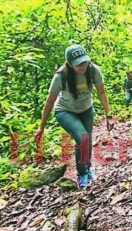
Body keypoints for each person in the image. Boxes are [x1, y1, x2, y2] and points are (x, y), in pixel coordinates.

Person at [34, 44, 113, 188]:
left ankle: (87, 169)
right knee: (82, 137)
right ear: (70, 64)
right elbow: (50, 100)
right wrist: (41, 127)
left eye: (84, 62)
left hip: (86, 109)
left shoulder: (93, 70)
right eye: (78, 65)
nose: (82, 67)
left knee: (87, 140)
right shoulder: (60, 76)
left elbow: (102, 93)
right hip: (65, 111)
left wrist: (109, 115)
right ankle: (81, 174)